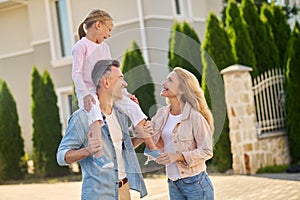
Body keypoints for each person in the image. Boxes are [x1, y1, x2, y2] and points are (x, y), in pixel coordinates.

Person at [72, 9, 160, 168]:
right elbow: (76, 74)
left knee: (133, 107)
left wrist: (125, 94)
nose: (109, 34)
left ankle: (151, 148)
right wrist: (85, 95)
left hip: (107, 90)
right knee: (94, 110)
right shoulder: (81, 46)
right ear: (98, 25)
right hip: (89, 91)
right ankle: (99, 155)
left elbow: (112, 74)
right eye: (109, 29)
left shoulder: (104, 47)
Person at [57, 59, 148, 200]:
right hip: (98, 194)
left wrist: (142, 137)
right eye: (120, 79)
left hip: (124, 190)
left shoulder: (120, 114)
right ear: (106, 82)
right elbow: (61, 156)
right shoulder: (82, 118)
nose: (125, 84)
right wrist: (88, 151)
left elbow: (120, 147)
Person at [150, 67, 215, 200]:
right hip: (173, 183)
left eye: (170, 81)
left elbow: (207, 151)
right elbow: (146, 134)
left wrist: (178, 156)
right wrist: (133, 108)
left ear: (181, 89)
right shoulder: (162, 114)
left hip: (195, 183)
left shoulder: (195, 117)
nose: (164, 83)